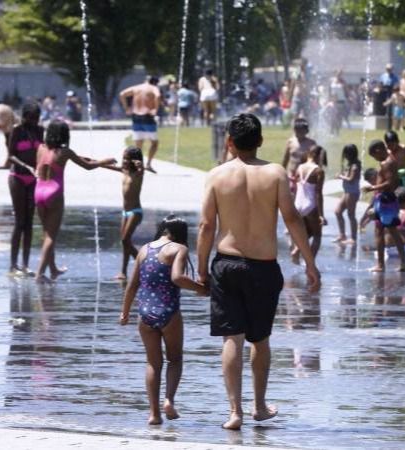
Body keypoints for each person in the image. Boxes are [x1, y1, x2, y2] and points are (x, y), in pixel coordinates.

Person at [197, 113, 320, 430]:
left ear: (229, 143)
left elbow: (206, 226)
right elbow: (293, 219)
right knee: (260, 339)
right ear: (261, 140)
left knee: (231, 339)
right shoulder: (275, 174)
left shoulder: (217, 175)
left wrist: (200, 269)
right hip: (263, 266)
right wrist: (309, 263)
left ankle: (235, 411)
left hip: (226, 262)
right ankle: (260, 405)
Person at [119, 215, 205, 425]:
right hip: (169, 312)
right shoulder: (178, 249)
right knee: (174, 359)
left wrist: (125, 312)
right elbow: (177, 278)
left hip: (145, 314)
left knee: (152, 363)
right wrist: (202, 289)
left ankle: (154, 414)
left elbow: (132, 285)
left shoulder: (144, 249)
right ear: (181, 233)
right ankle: (169, 401)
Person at [34, 120, 115, 282]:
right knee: (51, 236)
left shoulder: (41, 148)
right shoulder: (65, 152)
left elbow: (38, 168)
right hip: (54, 192)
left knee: (46, 234)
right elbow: (88, 166)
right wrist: (104, 162)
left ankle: (53, 269)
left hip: (39, 191)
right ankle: (40, 274)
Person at [5, 102, 43, 276]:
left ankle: (26, 264)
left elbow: (43, 152)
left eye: (37, 118)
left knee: (29, 223)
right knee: (19, 221)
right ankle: (13, 265)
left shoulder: (39, 131)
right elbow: (11, 155)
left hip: (34, 178)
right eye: (32, 118)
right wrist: (25, 166)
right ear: (25, 116)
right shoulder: (17, 130)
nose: (35, 121)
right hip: (18, 177)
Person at [362, 140, 405, 272]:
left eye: (374, 156)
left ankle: (396, 263)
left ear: (378, 150)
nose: (375, 159)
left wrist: (372, 188)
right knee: (380, 231)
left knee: (392, 231)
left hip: (387, 201)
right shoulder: (388, 159)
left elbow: (390, 183)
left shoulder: (387, 162)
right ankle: (382, 264)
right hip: (383, 199)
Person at [105, 147, 144, 280]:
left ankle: (143, 265)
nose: (125, 161)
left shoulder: (138, 173)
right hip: (125, 213)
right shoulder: (124, 170)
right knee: (125, 242)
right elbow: (100, 164)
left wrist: (141, 166)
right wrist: (99, 162)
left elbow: (141, 170)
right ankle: (123, 272)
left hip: (135, 212)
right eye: (124, 158)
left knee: (125, 239)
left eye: (127, 158)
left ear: (135, 160)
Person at [119, 76, 162, 173]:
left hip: (136, 117)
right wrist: (155, 109)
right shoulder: (154, 88)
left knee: (138, 145)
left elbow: (122, 94)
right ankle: (148, 164)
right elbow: (158, 96)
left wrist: (127, 108)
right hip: (148, 116)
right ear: (155, 83)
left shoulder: (136, 87)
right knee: (154, 143)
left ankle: (137, 165)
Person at [293, 145, 327, 261]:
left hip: (298, 204)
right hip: (310, 205)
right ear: (319, 156)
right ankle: (310, 264)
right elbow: (318, 193)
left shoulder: (299, 167)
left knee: (308, 232)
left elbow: (296, 187)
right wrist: (321, 215)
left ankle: (296, 251)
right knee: (317, 235)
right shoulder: (318, 171)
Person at [334, 144, 361, 245]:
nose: (345, 156)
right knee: (338, 211)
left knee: (351, 214)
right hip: (347, 192)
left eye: (346, 154)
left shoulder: (355, 166)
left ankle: (353, 238)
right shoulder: (350, 164)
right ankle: (342, 234)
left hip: (352, 193)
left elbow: (351, 179)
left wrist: (340, 176)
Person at [281, 118, 316, 194]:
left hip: (304, 175)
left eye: (300, 130)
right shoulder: (291, 142)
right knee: (291, 195)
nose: (298, 132)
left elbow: (315, 161)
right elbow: (285, 159)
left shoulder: (311, 143)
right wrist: (281, 171)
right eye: (296, 129)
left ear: (306, 131)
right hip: (292, 174)